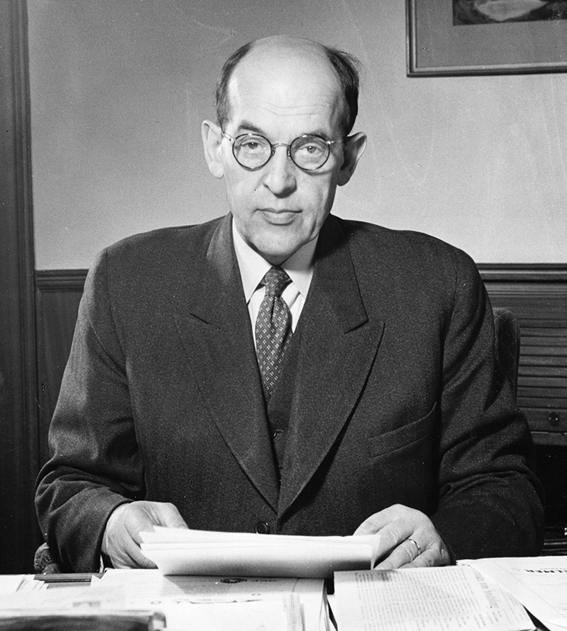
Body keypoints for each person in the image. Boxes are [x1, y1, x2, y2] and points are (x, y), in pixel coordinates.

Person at [35, 35, 544, 572]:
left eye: (311, 148)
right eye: (252, 144)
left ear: (348, 158)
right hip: (189, 618)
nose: (279, 182)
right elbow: (70, 484)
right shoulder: (127, 282)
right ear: (214, 147)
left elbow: (506, 490)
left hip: (371, 614)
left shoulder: (437, 285)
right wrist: (111, 522)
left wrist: (442, 537)